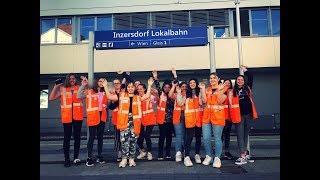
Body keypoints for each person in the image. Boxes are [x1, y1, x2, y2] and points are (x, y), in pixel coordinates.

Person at [103, 77, 154, 167]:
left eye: (132, 87)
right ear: (126, 87)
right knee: (124, 141)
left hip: (135, 123)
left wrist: (149, 85)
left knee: (133, 141)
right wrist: (105, 86)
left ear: (135, 88)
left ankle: (131, 159)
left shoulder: (138, 97)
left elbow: (146, 96)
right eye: (129, 87)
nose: (130, 88)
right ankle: (124, 159)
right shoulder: (121, 95)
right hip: (124, 122)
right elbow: (109, 97)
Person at [48, 73, 84, 167]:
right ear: (67, 80)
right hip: (67, 117)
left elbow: (86, 96)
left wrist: (85, 84)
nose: (72, 80)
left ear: (75, 80)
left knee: (77, 138)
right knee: (66, 139)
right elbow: (51, 98)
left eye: (73, 78)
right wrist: (56, 87)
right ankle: (67, 159)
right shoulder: (62, 89)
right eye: (70, 78)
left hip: (78, 117)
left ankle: (76, 158)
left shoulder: (79, 88)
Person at [229, 65, 258, 165]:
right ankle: (242, 155)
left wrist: (246, 71)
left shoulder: (247, 88)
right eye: (238, 80)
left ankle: (245, 154)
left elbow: (251, 76)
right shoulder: (232, 92)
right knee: (240, 136)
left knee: (246, 135)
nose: (240, 81)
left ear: (244, 81)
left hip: (249, 115)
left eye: (241, 80)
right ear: (236, 81)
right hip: (239, 116)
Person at [77, 76, 108, 166]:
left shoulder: (105, 93)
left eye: (103, 81)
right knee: (91, 138)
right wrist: (83, 85)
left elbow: (108, 103)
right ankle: (89, 157)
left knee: (100, 138)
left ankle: (99, 156)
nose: (101, 82)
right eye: (100, 81)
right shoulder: (89, 91)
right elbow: (79, 95)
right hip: (93, 117)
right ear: (96, 82)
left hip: (102, 116)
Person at [200, 72, 227, 168]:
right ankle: (208, 156)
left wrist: (220, 91)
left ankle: (217, 158)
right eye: (210, 78)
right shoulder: (207, 89)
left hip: (218, 117)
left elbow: (220, 101)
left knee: (217, 139)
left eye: (214, 78)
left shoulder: (223, 89)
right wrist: (203, 90)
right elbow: (204, 101)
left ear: (218, 79)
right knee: (206, 138)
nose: (212, 80)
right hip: (207, 117)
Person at [176, 78, 203, 166]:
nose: (192, 84)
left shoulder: (200, 92)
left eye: (194, 82)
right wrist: (179, 92)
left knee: (198, 137)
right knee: (189, 138)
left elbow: (202, 102)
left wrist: (202, 91)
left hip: (199, 118)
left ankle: (197, 154)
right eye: (190, 83)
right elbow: (180, 103)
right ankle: (186, 156)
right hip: (190, 119)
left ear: (196, 83)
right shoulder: (185, 94)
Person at [152, 70, 175, 160]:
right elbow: (157, 86)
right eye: (165, 87)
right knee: (161, 138)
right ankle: (160, 154)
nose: (167, 89)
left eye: (168, 87)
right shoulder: (161, 94)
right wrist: (155, 78)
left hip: (170, 121)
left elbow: (175, 85)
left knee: (169, 138)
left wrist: (174, 76)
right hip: (162, 121)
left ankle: (168, 153)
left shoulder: (172, 96)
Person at [168, 68, 186, 163]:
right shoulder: (176, 94)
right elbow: (170, 95)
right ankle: (178, 152)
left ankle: (185, 152)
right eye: (182, 86)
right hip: (177, 116)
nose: (183, 88)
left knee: (185, 135)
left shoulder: (188, 94)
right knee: (179, 135)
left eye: (184, 86)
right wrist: (174, 85)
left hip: (187, 116)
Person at [136, 84, 158, 161]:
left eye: (141, 89)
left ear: (145, 89)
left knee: (147, 136)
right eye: (138, 89)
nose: (139, 90)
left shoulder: (150, 96)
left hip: (150, 118)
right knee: (138, 137)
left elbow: (156, 102)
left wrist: (155, 93)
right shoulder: (137, 98)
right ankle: (142, 151)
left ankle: (149, 152)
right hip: (141, 119)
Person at [221, 79, 234, 159]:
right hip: (221, 117)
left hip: (229, 117)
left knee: (227, 135)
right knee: (220, 135)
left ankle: (226, 151)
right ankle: (218, 149)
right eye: (226, 83)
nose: (228, 84)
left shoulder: (232, 92)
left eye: (229, 83)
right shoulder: (221, 92)